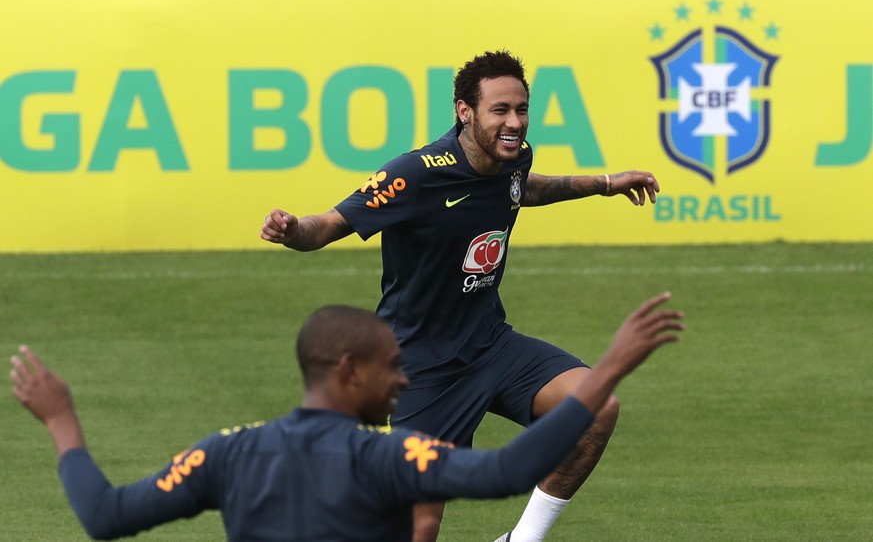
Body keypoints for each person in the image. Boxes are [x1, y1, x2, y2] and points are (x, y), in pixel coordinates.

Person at [260, 50, 662, 541]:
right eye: (500, 111)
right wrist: (292, 228)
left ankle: (521, 539)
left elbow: (524, 189)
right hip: (423, 366)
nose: (514, 122)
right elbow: (328, 226)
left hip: (492, 344)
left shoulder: (513, 157)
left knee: (598, 408)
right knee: (419, 526)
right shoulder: (416, 173)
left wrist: (603, 183)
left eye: (521, 109)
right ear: (465, 111)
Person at [11, 298, 683, 541]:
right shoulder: (385, 459)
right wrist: (607, 372)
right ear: (347, 371)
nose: (404, 377)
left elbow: (103, 517)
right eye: (392, 365)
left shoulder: (224, 455)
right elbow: (508, 469)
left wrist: (62, 421)